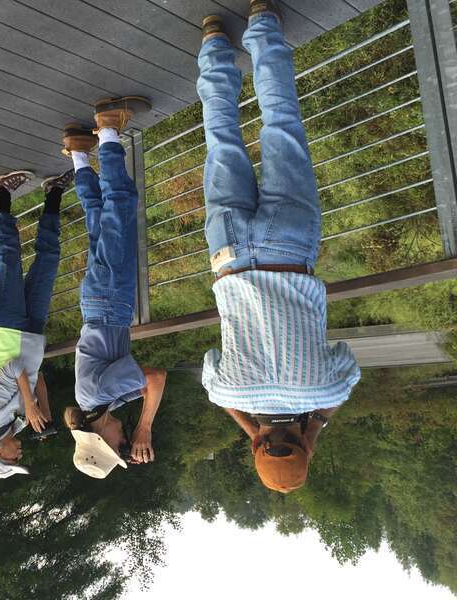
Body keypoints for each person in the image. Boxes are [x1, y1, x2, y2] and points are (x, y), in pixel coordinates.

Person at [197, 1, 360, 493]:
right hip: (228, 256)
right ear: (255, 448)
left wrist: (316, 426)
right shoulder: (227, 392)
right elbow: (210, 379)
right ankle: (212, 47)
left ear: (308, 448)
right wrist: (250, 427)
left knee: (283, 125)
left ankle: (264, 24)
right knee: (220, 140)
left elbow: (348, 365)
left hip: (290, 248)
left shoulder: (326, 391)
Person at [61, 99, 168, 479]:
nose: (126, 441)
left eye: (120, 446)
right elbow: (141, 389)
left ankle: (107, 127)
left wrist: (144, 428)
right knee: (97, 215)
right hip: (98, 301)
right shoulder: (101, 400)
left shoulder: (97, 396)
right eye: (127, 447)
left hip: (110, 299)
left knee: (120, 205)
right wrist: (139, 412)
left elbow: (155, 378)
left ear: (102, 439)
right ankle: (78, 151)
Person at [0, 168, 72, 479]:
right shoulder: (17, 420)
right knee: (49, 258)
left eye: (13, 458)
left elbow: (15, 367)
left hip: (6, 327)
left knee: (9, 257)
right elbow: (35, 377)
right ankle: (54, 192)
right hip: (31, 332)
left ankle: (2, 190)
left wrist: (29, 405)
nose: (20, 453)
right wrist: (41, 407)